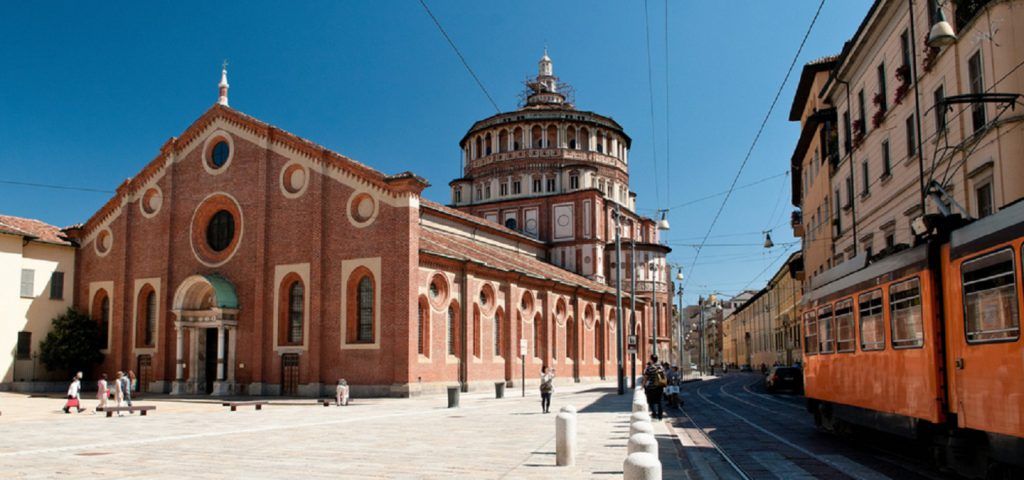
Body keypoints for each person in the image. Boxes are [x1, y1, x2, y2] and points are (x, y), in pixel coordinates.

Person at [643, 355, 666, 420]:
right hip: (660, 386)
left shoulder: (649, 367)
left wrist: (643, 385)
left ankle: (654, 413)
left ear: (652, 360)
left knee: (651, 401)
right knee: (660, 401)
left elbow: (646, 377)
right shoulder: (661, 367)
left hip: (651, 387)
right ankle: (660, 416)